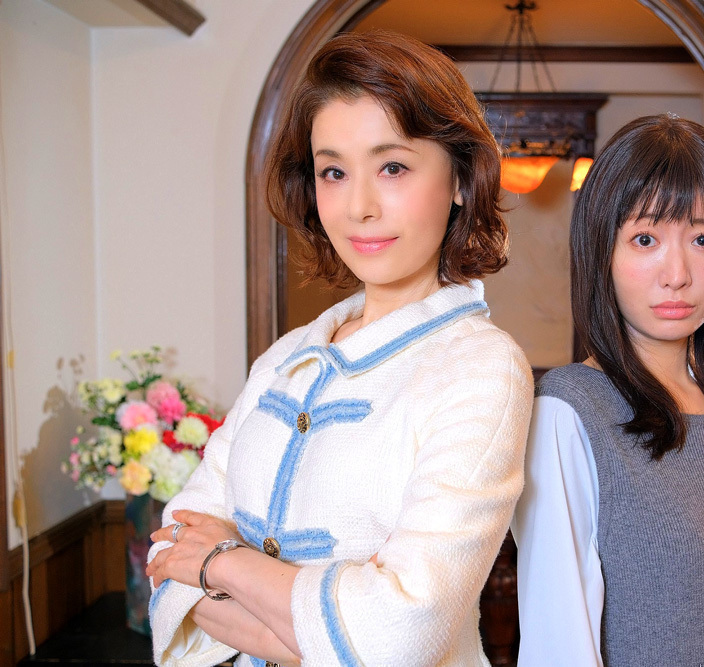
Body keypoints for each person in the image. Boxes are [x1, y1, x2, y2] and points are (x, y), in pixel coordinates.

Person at [145, 30, 533, 667]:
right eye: (333, 171)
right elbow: (168, 556)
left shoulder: (483, 369)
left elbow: (401, 638)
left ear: (461, 178)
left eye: (393, 167)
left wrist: (222, 563)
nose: (358, 207)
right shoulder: (285, 358)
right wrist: (331, 631)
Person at [512, 115, 704, 666]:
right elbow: (559, 645)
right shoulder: (570, 410)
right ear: (601, 250)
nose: (677, 273)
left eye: (703, 239)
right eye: (645, 239)